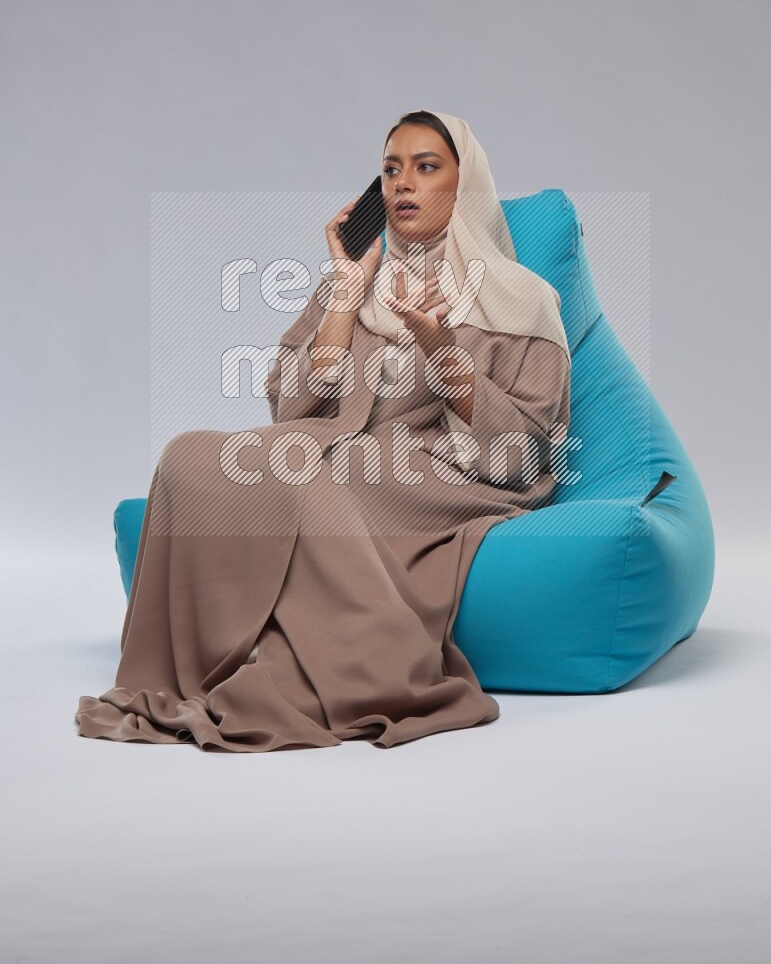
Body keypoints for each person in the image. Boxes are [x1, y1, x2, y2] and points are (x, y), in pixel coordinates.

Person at [74, 110, 571, 752]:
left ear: (465, 183)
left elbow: (525, 453)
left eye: (426, 168)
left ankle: (330, 659)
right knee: (190, 456)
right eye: (391, 170)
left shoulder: (522, 299)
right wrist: (343, 293)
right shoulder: (355, 283)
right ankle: (198, 662)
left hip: (442, 470)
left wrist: (444, 355)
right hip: (333, 449)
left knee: (307, 483)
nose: (402, 185)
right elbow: (293, 412)